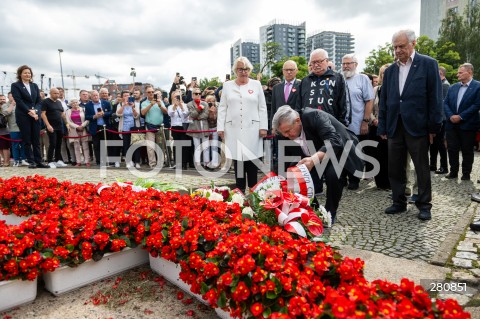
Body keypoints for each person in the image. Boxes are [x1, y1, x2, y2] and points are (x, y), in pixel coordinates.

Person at [378, 29, 443, 221]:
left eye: (401, 46)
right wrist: (383, 126)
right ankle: (399, 202)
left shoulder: (428, 64)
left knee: (421, 168)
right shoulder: (390, 71)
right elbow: (385, 101)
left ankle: (424, 205)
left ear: (413, 44)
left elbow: (435, 98)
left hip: (419, 126)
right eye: (395, 47)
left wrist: (434, 127)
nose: (397, 50)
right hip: (394, 127)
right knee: (395, 167)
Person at [272, 106, 364, 222]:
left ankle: (330, 213)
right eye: (283, 133)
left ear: (297, 120)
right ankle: (313, 209)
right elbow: (281, 161)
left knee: (333, 175)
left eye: (288, 131)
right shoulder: (283, 133)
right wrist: (273, 182)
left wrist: (313, 159)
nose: (286, 136)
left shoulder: (314, 116)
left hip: (336, 151)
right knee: (293, 173)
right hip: (310, 153)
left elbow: (334, 141)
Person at [217, 56, 268, 192]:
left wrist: (263, 127)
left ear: (250, 70)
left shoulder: (256, 85)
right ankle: (239, 191)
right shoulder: (227, 85)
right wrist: (220, 127)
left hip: (253, 128)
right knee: (238, 159)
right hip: (233, 129)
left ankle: (253, 191)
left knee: (252, 159)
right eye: (240, 69)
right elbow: (222, 108)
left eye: (246, 69)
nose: (243, 72)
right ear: (235, 70)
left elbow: (262, 107)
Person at [342, 54, 374, 190]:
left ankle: (354, 180)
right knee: (342, 152)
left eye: (349, 63)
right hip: (342, 125)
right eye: (343, 64)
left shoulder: (362, 79)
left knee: (357, 153)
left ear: (355, 64)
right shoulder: (338, 79)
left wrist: (365, 121)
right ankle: (342, 179)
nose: (346, 66)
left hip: (358, 123)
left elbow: (369, 100)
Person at [444, 63, 480, 181]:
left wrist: (461, 116)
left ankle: (466, 173)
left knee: (467, 150)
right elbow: (446, 103)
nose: (457, 74)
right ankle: (453, 172)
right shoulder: (453, 87)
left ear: (469, 72)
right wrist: (451, 116)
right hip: (452, 124)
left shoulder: (477, 86)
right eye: (458, 72)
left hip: (468, 124)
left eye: (460, 72)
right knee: (452, 149)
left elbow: (476, 105)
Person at [295, 49, 348, 126]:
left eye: (319, 61)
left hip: (330, 124)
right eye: (313, 62)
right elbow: (298, 105)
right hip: (308, 125)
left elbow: (343, 104)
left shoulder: (338, 78)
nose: (316, 65)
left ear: (327, 61)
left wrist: (341, 124)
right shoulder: (305, 81)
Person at [10, 65, 47, 168]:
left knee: (36, 139)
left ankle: (38, 161)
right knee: (27, 139)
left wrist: (35, 111)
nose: (27, 74)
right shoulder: (15, 85)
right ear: (20, 74)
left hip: (35, 115)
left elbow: (39, 101)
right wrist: (29, 111)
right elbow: (19, 100)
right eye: (25, 73)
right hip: (23, 115)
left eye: (29, 73)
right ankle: (31, 161)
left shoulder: (34, 85)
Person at [369, 64, 391, 190]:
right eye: (382, 73)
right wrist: (373, 120)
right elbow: (369, 107)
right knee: (377, 155)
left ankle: (390, 182)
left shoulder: (396, 89)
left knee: (390, 156)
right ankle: (380, 182)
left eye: (387, 72)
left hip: (390, 128)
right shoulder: (375, 89)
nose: (384, 75)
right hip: (375, 127)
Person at [140, 85, 168, 169]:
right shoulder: (144, 103)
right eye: (149, 92)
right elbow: (143, 113)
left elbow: (166, 112)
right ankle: (152, 164)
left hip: (159, 126)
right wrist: (151, 105)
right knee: (150, 147)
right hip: (149, 126)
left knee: (160, 146)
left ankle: (160, 163)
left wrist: (160, 105)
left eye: (152, 92)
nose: (151, 93)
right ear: (146, 93)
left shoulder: (160, 101)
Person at [41, 87, 68, 168]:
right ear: (50, 93)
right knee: (52, 143)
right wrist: (48, 125)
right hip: (51, 126)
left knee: (59, 143)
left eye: (58, 93)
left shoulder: (59, 102)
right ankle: (50, 161)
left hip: (60, 125)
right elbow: (43, 114)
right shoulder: (46, 102)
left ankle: (58, 160)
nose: (57, 95)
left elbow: (62, 114)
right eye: (55, 93)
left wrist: (67, 124)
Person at [430, 66, 450, 174]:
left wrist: (440, 120)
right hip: (435, 118)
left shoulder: (445, 85)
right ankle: (432, 164)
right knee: (433, 143)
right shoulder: (439, 84)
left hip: (441, 119)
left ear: (441, 73)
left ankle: (444, 167)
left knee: (440, 143)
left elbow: (443, 104)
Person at [84, 90, 112, 167]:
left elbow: (110, 112)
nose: (96, 97)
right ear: (91, 97)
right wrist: (94, 116)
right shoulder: (88, 105)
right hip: (95, 127)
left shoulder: (106, 103)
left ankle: (107, 160)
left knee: (105, 144)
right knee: (96, 145)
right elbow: (86, 116)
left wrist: (104, 114)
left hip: (105, 126)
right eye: (94, 96)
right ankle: (99, 161)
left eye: (97, 95)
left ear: (99, 95)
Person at [116, 90, 141, 168]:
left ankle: (137, 161)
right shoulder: (120, 104)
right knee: (126, 145)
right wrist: (124, 106)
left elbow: (137, 116)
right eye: (125, 95)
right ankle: (128, 161)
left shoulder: (135, 104)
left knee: (135, 144)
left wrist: (133, 107)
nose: (127, 97)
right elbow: (118, 114)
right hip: (124, 127)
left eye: (128, 95)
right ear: (122, 97)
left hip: (134, 127)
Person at [186, 88, 210, 168]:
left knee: (206, 146)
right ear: (192, 95)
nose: (198, 95)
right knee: (197, 146)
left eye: (199, 93)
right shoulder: (189, 104)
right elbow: (192, 115)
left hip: (204, 126)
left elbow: (206, 114)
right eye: (196, 93)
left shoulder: (205, 103)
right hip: (195, 127)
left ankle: (207, 163)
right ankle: (198, 163)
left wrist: (198, 117)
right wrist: (199, 109)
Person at [3, 92, 28, 167]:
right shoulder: (5, 105)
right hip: (14, 128)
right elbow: (5, 113)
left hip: (23, 127)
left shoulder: (21, 103)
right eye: (12, 96)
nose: (14, 97)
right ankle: (16, 160)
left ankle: (23, 159)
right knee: (15, 145)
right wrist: (12, 105)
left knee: (24, 144)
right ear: (8, 97)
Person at [65, 99, 90, 166]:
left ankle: (87, 161)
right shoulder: (68, 111)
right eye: (73, 103)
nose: (75, 104)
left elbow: (87, 119)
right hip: (74, 130)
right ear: (71, 104)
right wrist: (76, 126)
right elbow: (68, 121)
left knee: (85, 146)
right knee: (76, 146)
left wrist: (82, 125)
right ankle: (78, 162)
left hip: (83, 129)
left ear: (78, 103)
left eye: (76, 102)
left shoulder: (83, 109)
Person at [168, 90, 189, 170]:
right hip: (175, 127)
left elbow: (186, 114)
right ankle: (177, 163)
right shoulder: (170, 106)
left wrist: (181, 106)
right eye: (175, 97)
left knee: (184, 145)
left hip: (183, 127)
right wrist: (175, 106)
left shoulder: (185, 105)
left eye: (178, 96)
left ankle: (184, 163)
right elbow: (170, 114)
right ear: (172, 98)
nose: (177, 98)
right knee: (177, 145)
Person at [205, 94, 220, 169]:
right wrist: (208, 112)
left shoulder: (218, 107)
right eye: (209, 101)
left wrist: (213, 113)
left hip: (215, 128)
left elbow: (217, 119)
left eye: (213, 101)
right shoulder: (204, 107)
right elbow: (203, 117)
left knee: (214, 146)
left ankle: (215, 163)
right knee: (206, 146)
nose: (211, 102)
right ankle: (206, 162)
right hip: (206, 128)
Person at [0, 95, 11, 166]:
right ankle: (3, 160)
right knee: (0, 148)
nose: (2, 100)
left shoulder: (6, 107)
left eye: (4, 99)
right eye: (1, 99)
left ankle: (7, 162)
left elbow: (7, 113)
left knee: (5, 148)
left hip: (5, 131)